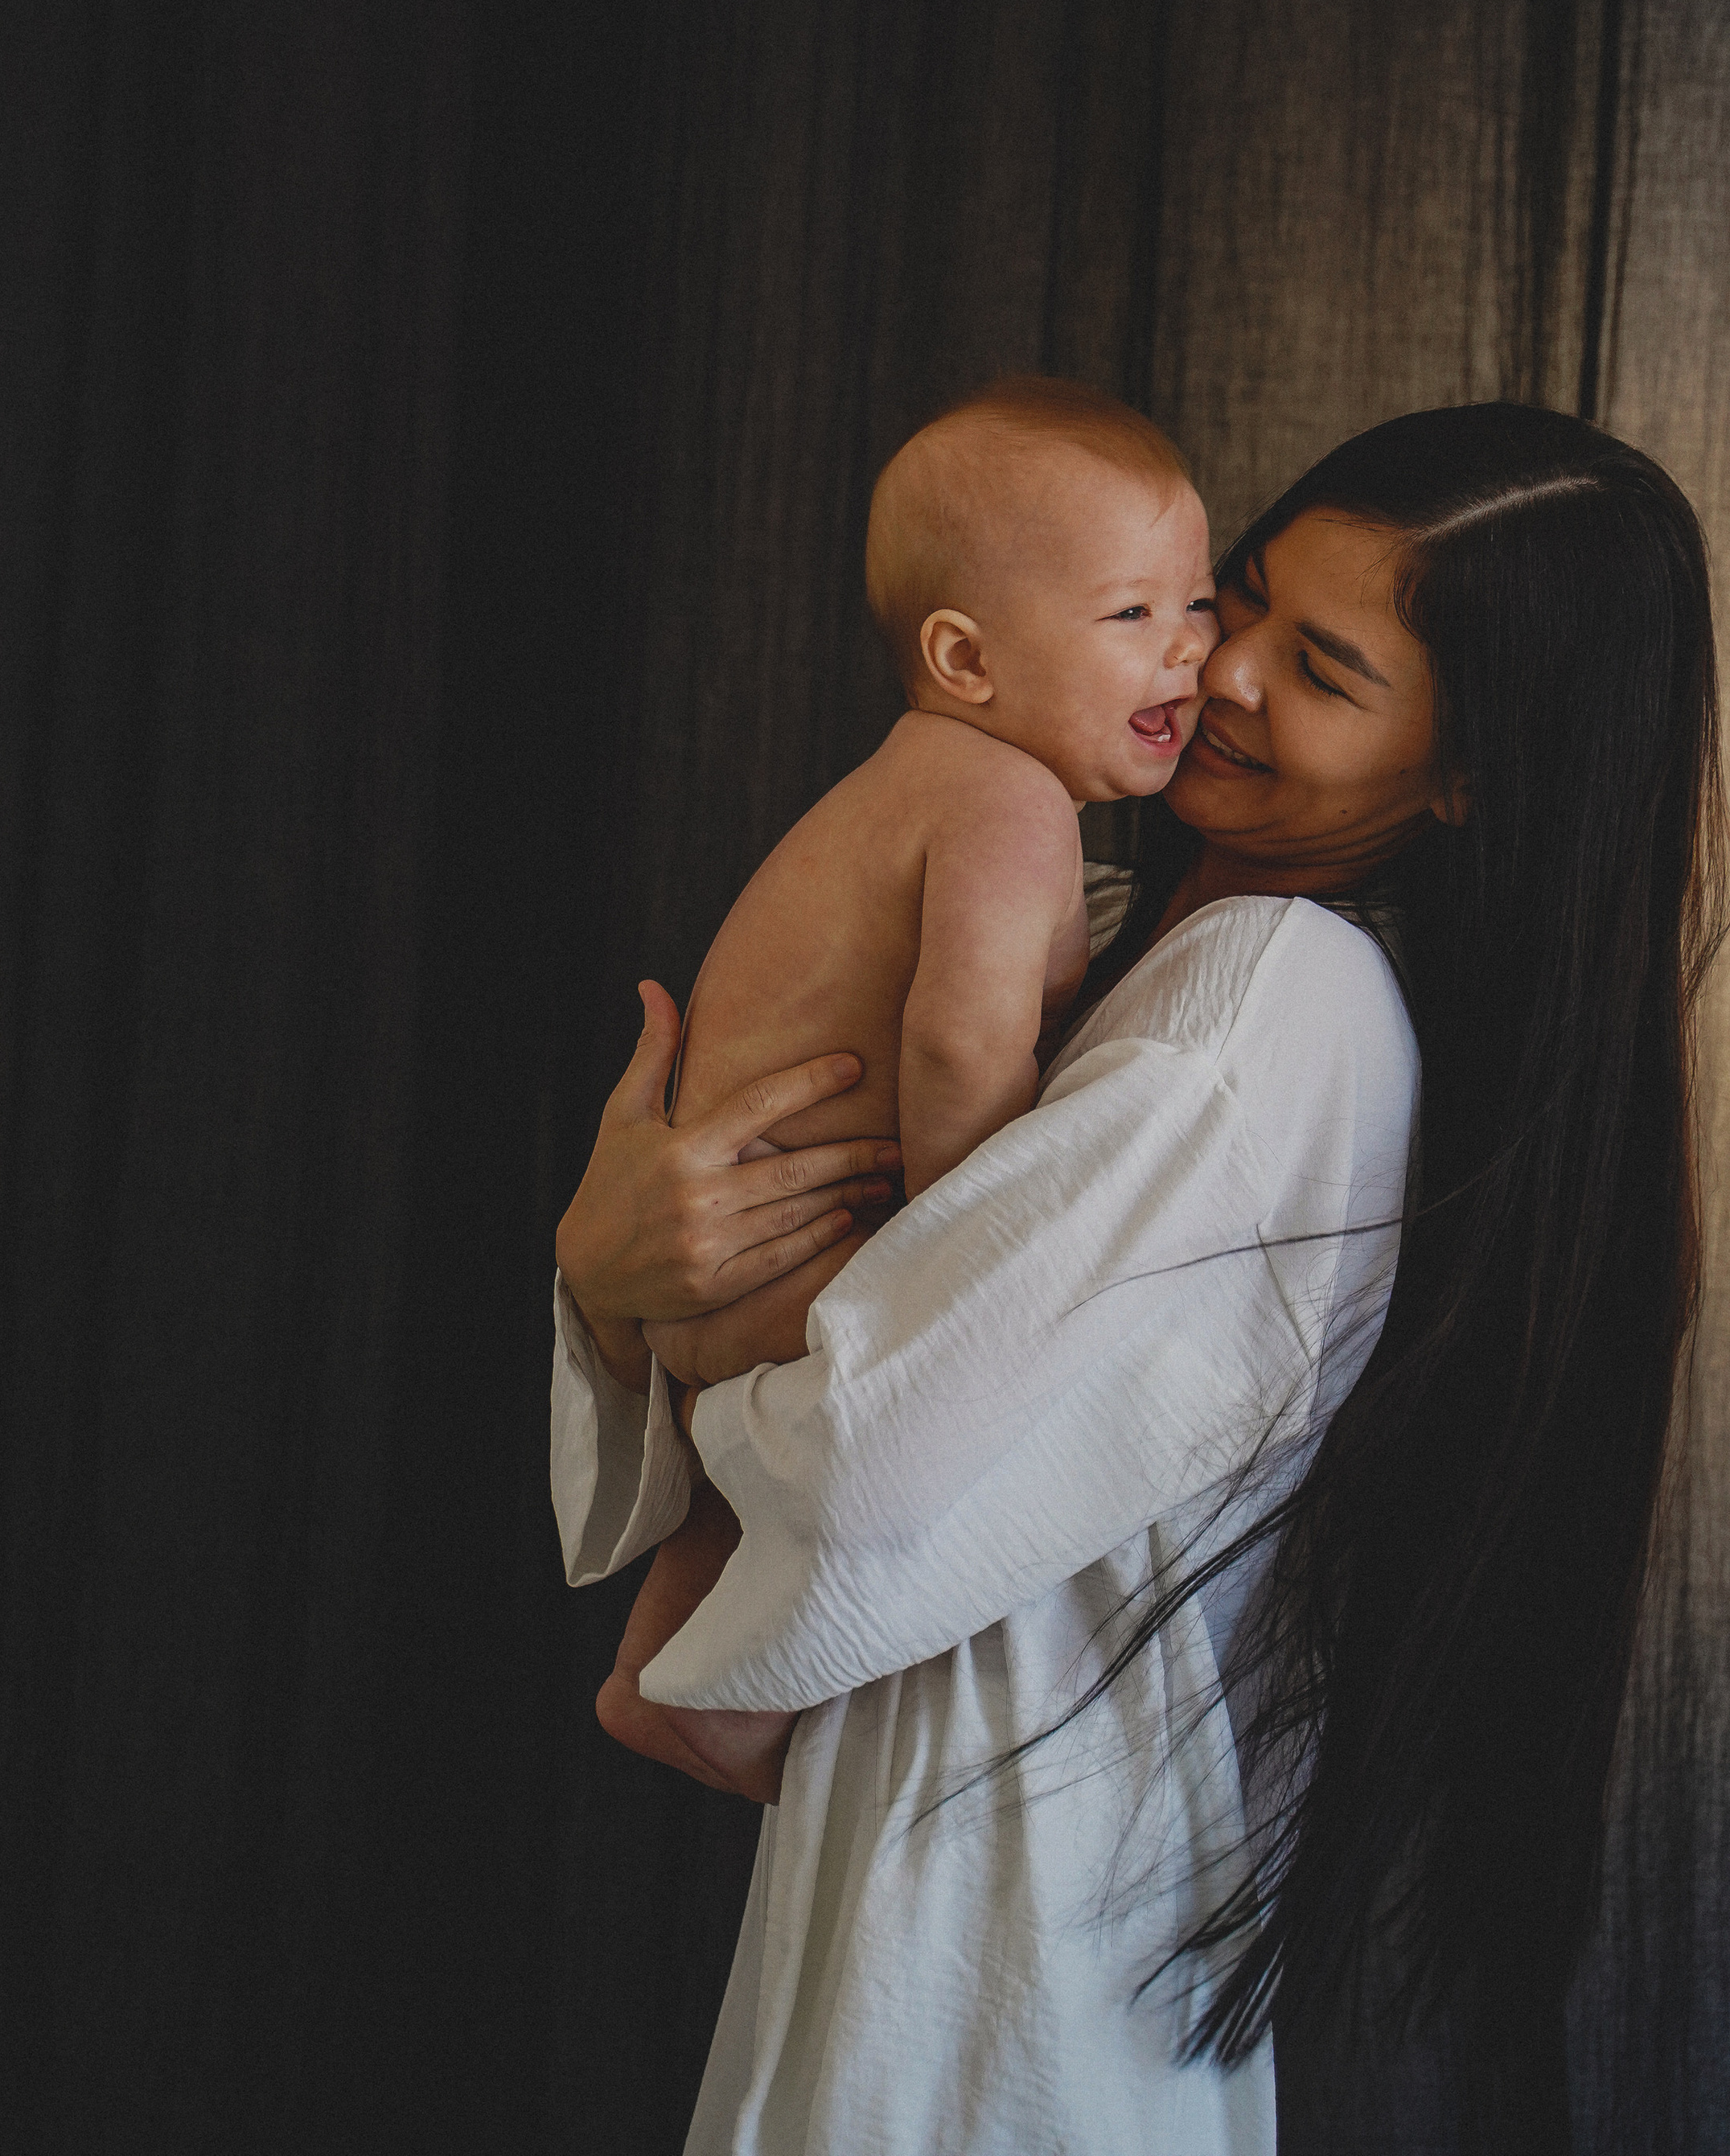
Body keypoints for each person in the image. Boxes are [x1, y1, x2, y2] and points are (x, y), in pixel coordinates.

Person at [552, 405, 1722, 2156]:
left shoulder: (1261, 1002)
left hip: (1005, 1887)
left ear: (1463, 772)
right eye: (1222, 600)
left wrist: (647, 1313)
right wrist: (608, 1270)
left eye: (1315, 669)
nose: (1214, 670)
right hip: (949, 1841)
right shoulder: (1123, 928)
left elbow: (866, 1455)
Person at [598, 376, 1218, 1800]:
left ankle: (662, 1682)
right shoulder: (1011, 807)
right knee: (967, 1451)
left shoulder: (918, 783)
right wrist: (963, 1263)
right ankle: (731, 1710)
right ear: (966, 657)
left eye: (1195, 603)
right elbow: (959, 1047)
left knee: (754, 1520)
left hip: (721, 1290)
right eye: (1131, 615)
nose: (1187, 654)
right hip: (794, 1266)